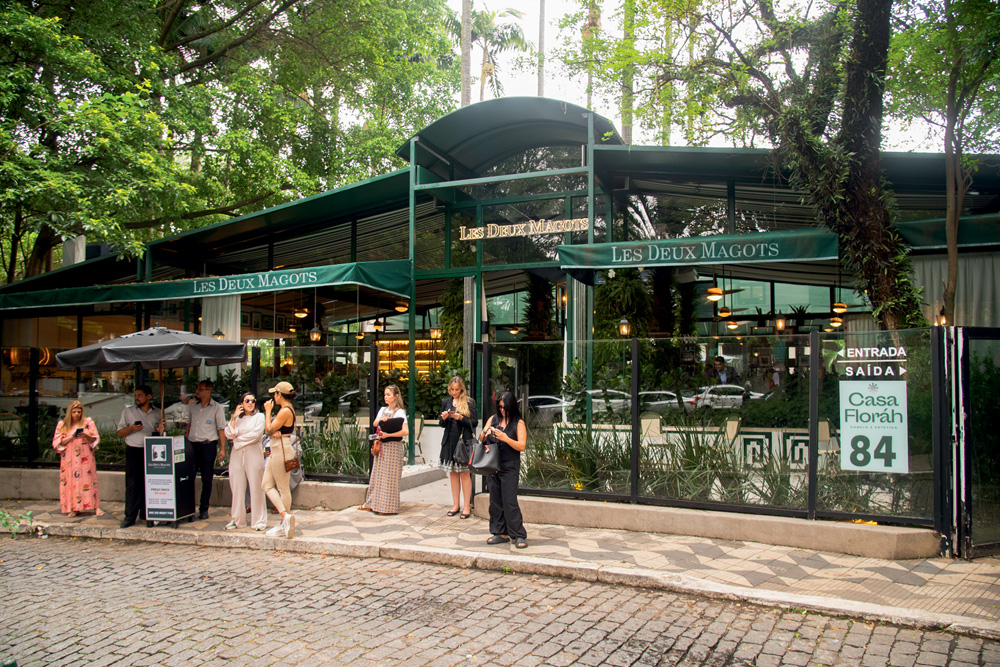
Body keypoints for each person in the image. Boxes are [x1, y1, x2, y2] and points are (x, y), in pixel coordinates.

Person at [481, 391, 528, 549]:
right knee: (495, 500)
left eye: (504, 407)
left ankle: (518, 533)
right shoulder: (493, 419)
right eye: (499, 407)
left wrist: (506, 438)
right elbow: (480, 438)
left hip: (510, 465)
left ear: (511, 407)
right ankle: (500, 532)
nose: (502, 410)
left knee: (509, 500)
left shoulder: (518, 423)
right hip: (493, 464)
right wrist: (485, 433)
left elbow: (521, 446)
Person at [358, 385, 408, 515]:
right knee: (378, 476)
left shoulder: (400, 413)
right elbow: (375, 423)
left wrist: (389, 435)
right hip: (382, 446)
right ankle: (373, 503)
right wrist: (382, 420)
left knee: (390, 478)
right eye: (385, 395)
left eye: (389, 395)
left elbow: (405, 431)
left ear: (396, 396)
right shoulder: (382, 410)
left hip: (393, 447)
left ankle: (387, 507)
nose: (386, 397)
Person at [116, 385, 162, 528]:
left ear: (148, 396)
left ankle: (146, 512)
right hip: (134, 450)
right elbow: (120, 432)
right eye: (136, 395)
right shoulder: (128, 411)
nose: (137, 398)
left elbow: (162, 432)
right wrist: (131, 428)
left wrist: (160, 430)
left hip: (151, 451)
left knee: (149, 483)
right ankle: (130, 516)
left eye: (140, 395)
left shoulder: (158, 413)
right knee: (132, 484)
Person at [223, 392, 266, 531]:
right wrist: (234, 417)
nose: (250, 403)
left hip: (253, 454)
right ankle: (237, 520)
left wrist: (236, 440)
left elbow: (255, 435)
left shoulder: (259, 417)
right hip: (237, 455)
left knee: (256, 487)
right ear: (241, 403)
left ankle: (258, 520)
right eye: (247, 400)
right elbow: (229, 433)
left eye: (252, 401)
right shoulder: (237, 419)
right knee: (236, 487)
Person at [52, 400, 102, 517]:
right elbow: (57, 442)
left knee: (89, 479)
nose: (76, 414)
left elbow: (95, 439)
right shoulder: (63, 424)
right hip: (69, 458)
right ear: (70, 412)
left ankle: (95, 506)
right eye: (74, 412)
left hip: (85, 456)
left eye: (79, 412)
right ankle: (73, 507)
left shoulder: (88, 422)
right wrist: (71, 436)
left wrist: (86, 435)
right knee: (71, 481)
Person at [438, 376, 478, 519]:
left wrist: (461, 418)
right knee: (453, 474)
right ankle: (456, 505)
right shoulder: (446, 402)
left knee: (464, 474)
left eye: (457, 389)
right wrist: (443, 418)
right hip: (449, 441)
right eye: (452, 389)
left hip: (464, 441)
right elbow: (441, 425)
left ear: (462, 389)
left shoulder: (468, 401)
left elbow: (474, 422)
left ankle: (467, 506)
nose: (454, 392)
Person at [262, 381, 298, 538]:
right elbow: (273, 431)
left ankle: (285, 520)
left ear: (279, 394)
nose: (273, 397)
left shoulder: (285, 411)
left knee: (282, 487)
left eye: (274, 394)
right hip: (278, 447)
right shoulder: (286, 410)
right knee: (266, 484)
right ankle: (285, 516)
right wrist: (274, 432)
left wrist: (268, 412)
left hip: (281, 449)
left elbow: (269, 429)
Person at [186, 379, 226, 520]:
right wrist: (186, 443)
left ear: (208, 391)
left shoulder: (217, 408)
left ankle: (204, 509)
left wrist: (222, 449)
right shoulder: (193, 407)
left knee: (206, 478)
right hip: (192, 445)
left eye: (200, 389)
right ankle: (188, 509)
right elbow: (189, 426)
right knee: (188, 477)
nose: (197, 391)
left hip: (208, 445)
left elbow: (221, 429)